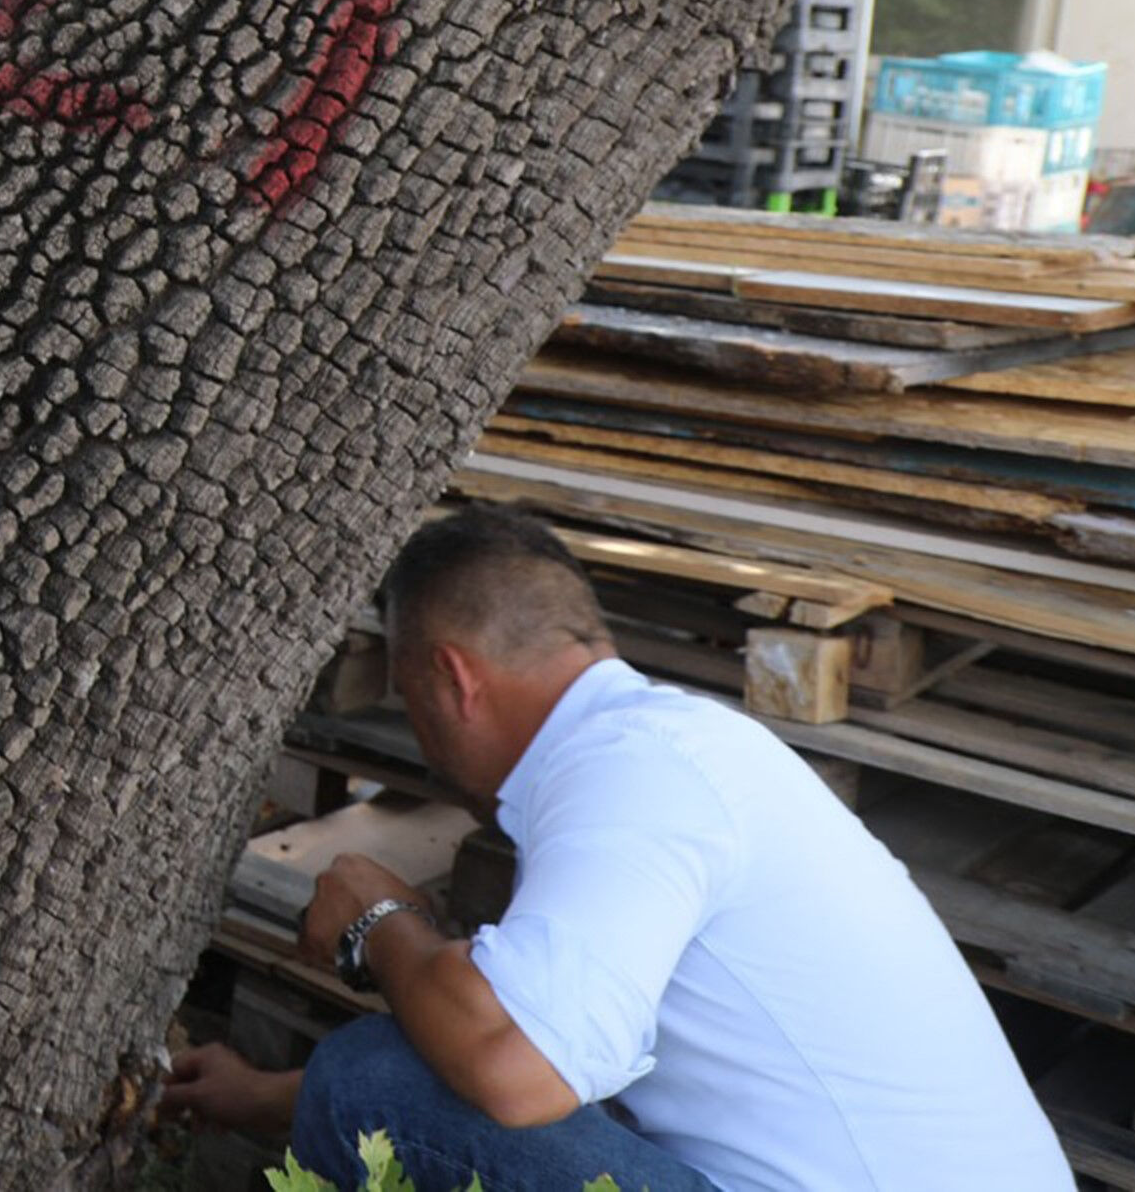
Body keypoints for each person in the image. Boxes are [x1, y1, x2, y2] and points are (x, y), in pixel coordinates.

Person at [162, 505, 1068, 1192]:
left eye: (406, 693)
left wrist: (380, 921)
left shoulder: (635, 777)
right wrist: (267, 1098)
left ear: (451, 678)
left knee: (375, 1081)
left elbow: (516, 1076)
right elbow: (592, 1070)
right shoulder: (670, 751)